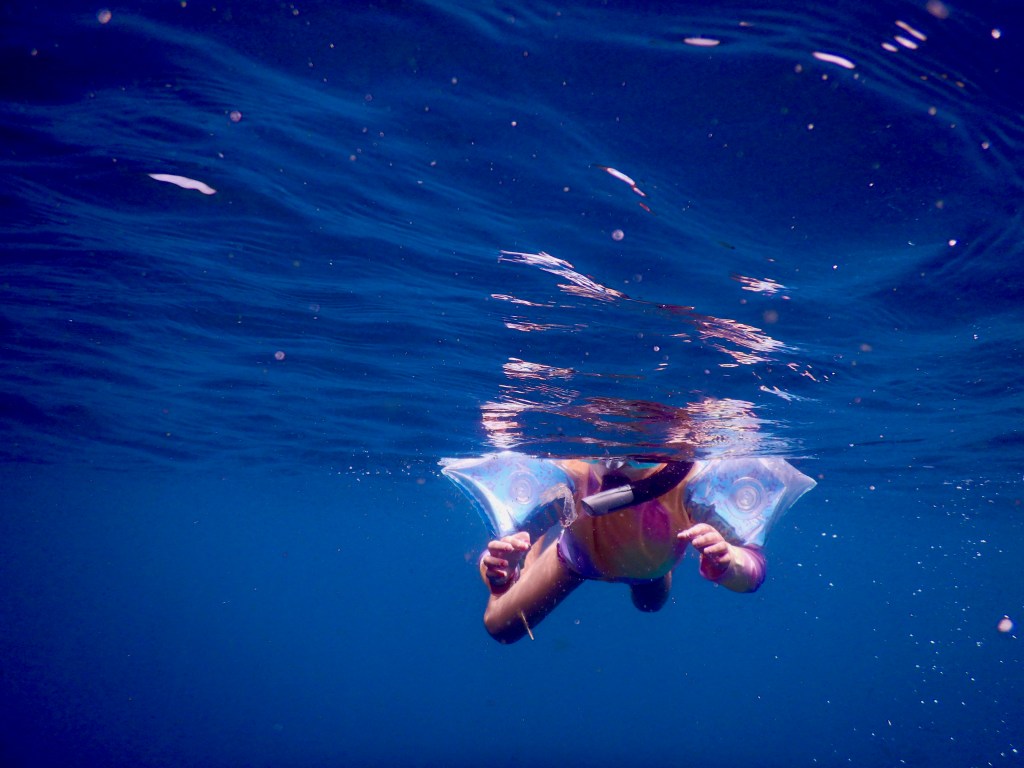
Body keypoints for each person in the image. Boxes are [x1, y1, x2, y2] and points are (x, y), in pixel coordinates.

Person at [478, 459, 767, 644]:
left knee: (650, 605)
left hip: (651, 569)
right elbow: (503, 543)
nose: (618, 462)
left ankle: (655, 571)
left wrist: (729, 561)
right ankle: (530, 556)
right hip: (575, 559)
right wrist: (501, 571)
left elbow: (754, 569)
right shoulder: (572, 471)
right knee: (500, 626)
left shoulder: (692, 483)